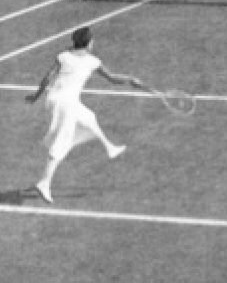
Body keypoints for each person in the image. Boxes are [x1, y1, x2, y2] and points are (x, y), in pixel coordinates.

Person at [25, 26, 144, 204]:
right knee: (62, 142)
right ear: (88, 43)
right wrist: (131, 80)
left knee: (88, 117)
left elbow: (47, 78)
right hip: (66, 104)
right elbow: (112, 78)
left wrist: (36, 96)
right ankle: (44, 183)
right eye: (92, 40)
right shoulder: (92, 61)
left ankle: (110, 148)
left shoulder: (63, 56)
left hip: (54, 99)